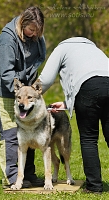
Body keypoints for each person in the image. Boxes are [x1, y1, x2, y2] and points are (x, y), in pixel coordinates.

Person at [39, 37, 109, 194]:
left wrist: (28, 95)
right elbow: (99, 80)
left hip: (87, 88)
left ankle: (95, 187)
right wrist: (67, 104)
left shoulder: (62, 48)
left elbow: (46, 80)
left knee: (89, 139)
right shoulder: (95, 49)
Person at [0, 6, 46, 189]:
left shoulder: (35, 37)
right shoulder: (8, 39)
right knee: (11, 133)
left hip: (25, 91)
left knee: (29, 130)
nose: (34, 34)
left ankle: (28, 173)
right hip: (6, 91)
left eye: (37, 32)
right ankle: (12, 177)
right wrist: (21, 93)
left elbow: (36, 61)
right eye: (31, 30)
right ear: (23, 23)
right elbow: (7, 73)